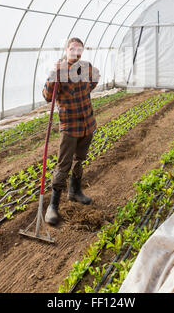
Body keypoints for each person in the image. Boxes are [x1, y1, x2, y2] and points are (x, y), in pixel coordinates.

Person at [42, 37, 100, 225]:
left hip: (87, 124)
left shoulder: (86, 67)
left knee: (80, 159)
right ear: (66, 49)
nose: (76, 52)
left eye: (80, 49)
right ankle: (53, 206)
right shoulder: (58, 71)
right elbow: (47, 97)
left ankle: (74, 192)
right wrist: (54, 75)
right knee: (63, 165)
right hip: (70, 126)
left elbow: (94, 81)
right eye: (73, 48)